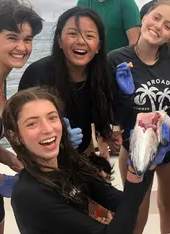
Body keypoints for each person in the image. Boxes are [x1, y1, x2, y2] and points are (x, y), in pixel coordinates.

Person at [4, 86, 170, 234]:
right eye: (32, 123)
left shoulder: (68, 165)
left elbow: (121, 202)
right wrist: (135, 173)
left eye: (52, 117)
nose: (48, 129)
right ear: (16, 136)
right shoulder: (30, 195)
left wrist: (148, 162)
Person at [107, 2, 170, 233]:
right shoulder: (115, 59)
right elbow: (109, 111)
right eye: (155, 18)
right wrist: (124, 96)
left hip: (169, 148)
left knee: (168, 207)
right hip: (136, 150)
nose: (158, 27)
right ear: (144, 17)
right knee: (135, 211)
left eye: (167, 26)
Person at [18, 6, 116, 158]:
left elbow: (107, 117)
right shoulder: (38, 74)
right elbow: (19, 128)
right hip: (44, 159)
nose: (81, 41)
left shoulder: (102, 75)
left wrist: (125, 97)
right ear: (59, 41)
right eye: (72, 34)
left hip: (81, 155)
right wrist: (61, 140)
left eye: (89, 36)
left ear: (98, 46)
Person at [0, 1, 43, 233]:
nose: (22, 46)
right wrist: (3, 183)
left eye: (27, 39)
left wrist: (9, 159)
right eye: (12, 37)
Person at [76, 0, 141, 52]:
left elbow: (134, 43)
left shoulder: (127, 3)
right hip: (90, 60)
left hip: (117, 63)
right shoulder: (83, 2)